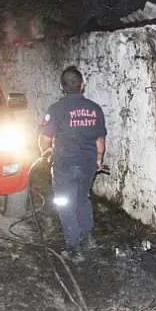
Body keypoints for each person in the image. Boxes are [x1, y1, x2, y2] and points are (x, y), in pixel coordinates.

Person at [38, 66, 107, 263]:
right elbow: (100, 141)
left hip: (64, 166)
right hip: (88, 165)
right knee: (83, 198)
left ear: (61, 87)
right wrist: (98, 160)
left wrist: (45, 153)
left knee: (65, 204)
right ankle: (88, 237)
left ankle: (74, 249)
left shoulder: (55, 109)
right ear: (82, 85)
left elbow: (45, 139)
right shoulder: (95, 109)